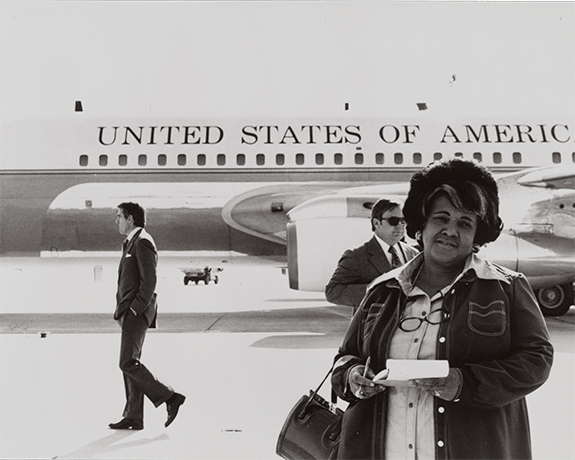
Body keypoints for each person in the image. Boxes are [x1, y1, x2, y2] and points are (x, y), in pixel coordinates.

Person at [331, 159, 553, 460]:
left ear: (478, 236)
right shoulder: (382, 289)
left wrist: (464, 383)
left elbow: (536, 360)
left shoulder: (507, 288)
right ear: (421, 225)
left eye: (465, 223)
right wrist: (353, 376)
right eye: (441, 218)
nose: (451, 230)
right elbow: (345, 358)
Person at [109, 202, 186, 431]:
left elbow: (149, 281)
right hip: (129, 312)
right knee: (130, 362)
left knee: (127, 362)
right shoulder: (132, 241)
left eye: (119, 216)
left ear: (130, 218)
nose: (117, 221)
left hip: (137, 312)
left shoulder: (143, 242)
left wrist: (134, 309)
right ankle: (133, 416)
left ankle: (170, 397)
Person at [325, 198, 419, 308]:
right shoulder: (356, 256)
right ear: (376, 223)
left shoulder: (413, 254)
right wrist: (375, 291)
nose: (400, 225)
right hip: (373, 324)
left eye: (403, 220)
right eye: (393, 220)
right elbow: (333, 292)